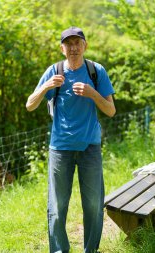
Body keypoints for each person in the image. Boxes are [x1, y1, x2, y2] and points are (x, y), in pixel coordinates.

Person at [26, 26, 116, 253]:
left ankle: (90, 250)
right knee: (57, 206)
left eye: (78, 43)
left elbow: (111, 110)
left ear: (85, 46)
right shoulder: (54, 71)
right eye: (69, 43)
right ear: (62, 48)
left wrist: (92, 93)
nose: (74, 47)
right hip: (60, 149)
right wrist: (46, 86)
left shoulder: (96, 71)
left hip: (90, 148)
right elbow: (30, 105)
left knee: (94, 205)